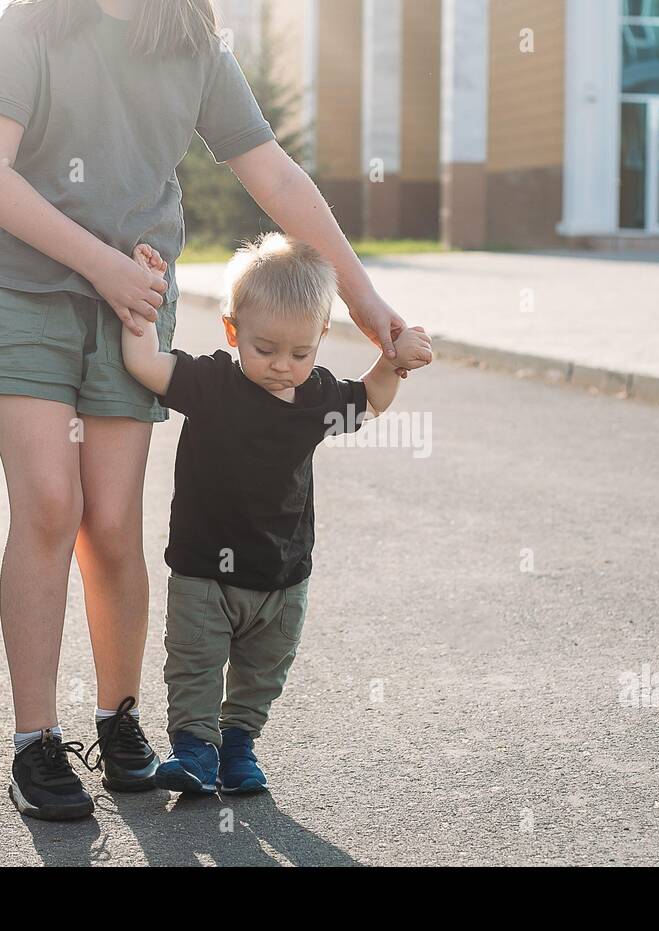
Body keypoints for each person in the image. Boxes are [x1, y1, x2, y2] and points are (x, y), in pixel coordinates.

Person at [0, 0, 410, 821]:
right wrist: (101, 264)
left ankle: (118, 721)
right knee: (53, 505)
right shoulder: (35, 20)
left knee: (113, 523)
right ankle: (34, 743)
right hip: (22, 293)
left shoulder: (192, 39)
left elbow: (274, 175)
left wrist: (366, 301)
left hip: (131, 303)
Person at [121, 234, 433, 793]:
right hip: (202, 569)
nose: (282, 367)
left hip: (282, 575)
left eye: (300, 353)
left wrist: (395, 358)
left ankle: (239, 745)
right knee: (194, 662)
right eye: (265, 350)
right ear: (232, 331)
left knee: (262, 671)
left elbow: (373, 398)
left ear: (319, 341)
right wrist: (143, 296)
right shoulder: (211, 382)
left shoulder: (317, 399)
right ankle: (194, 751)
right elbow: (142, 362)